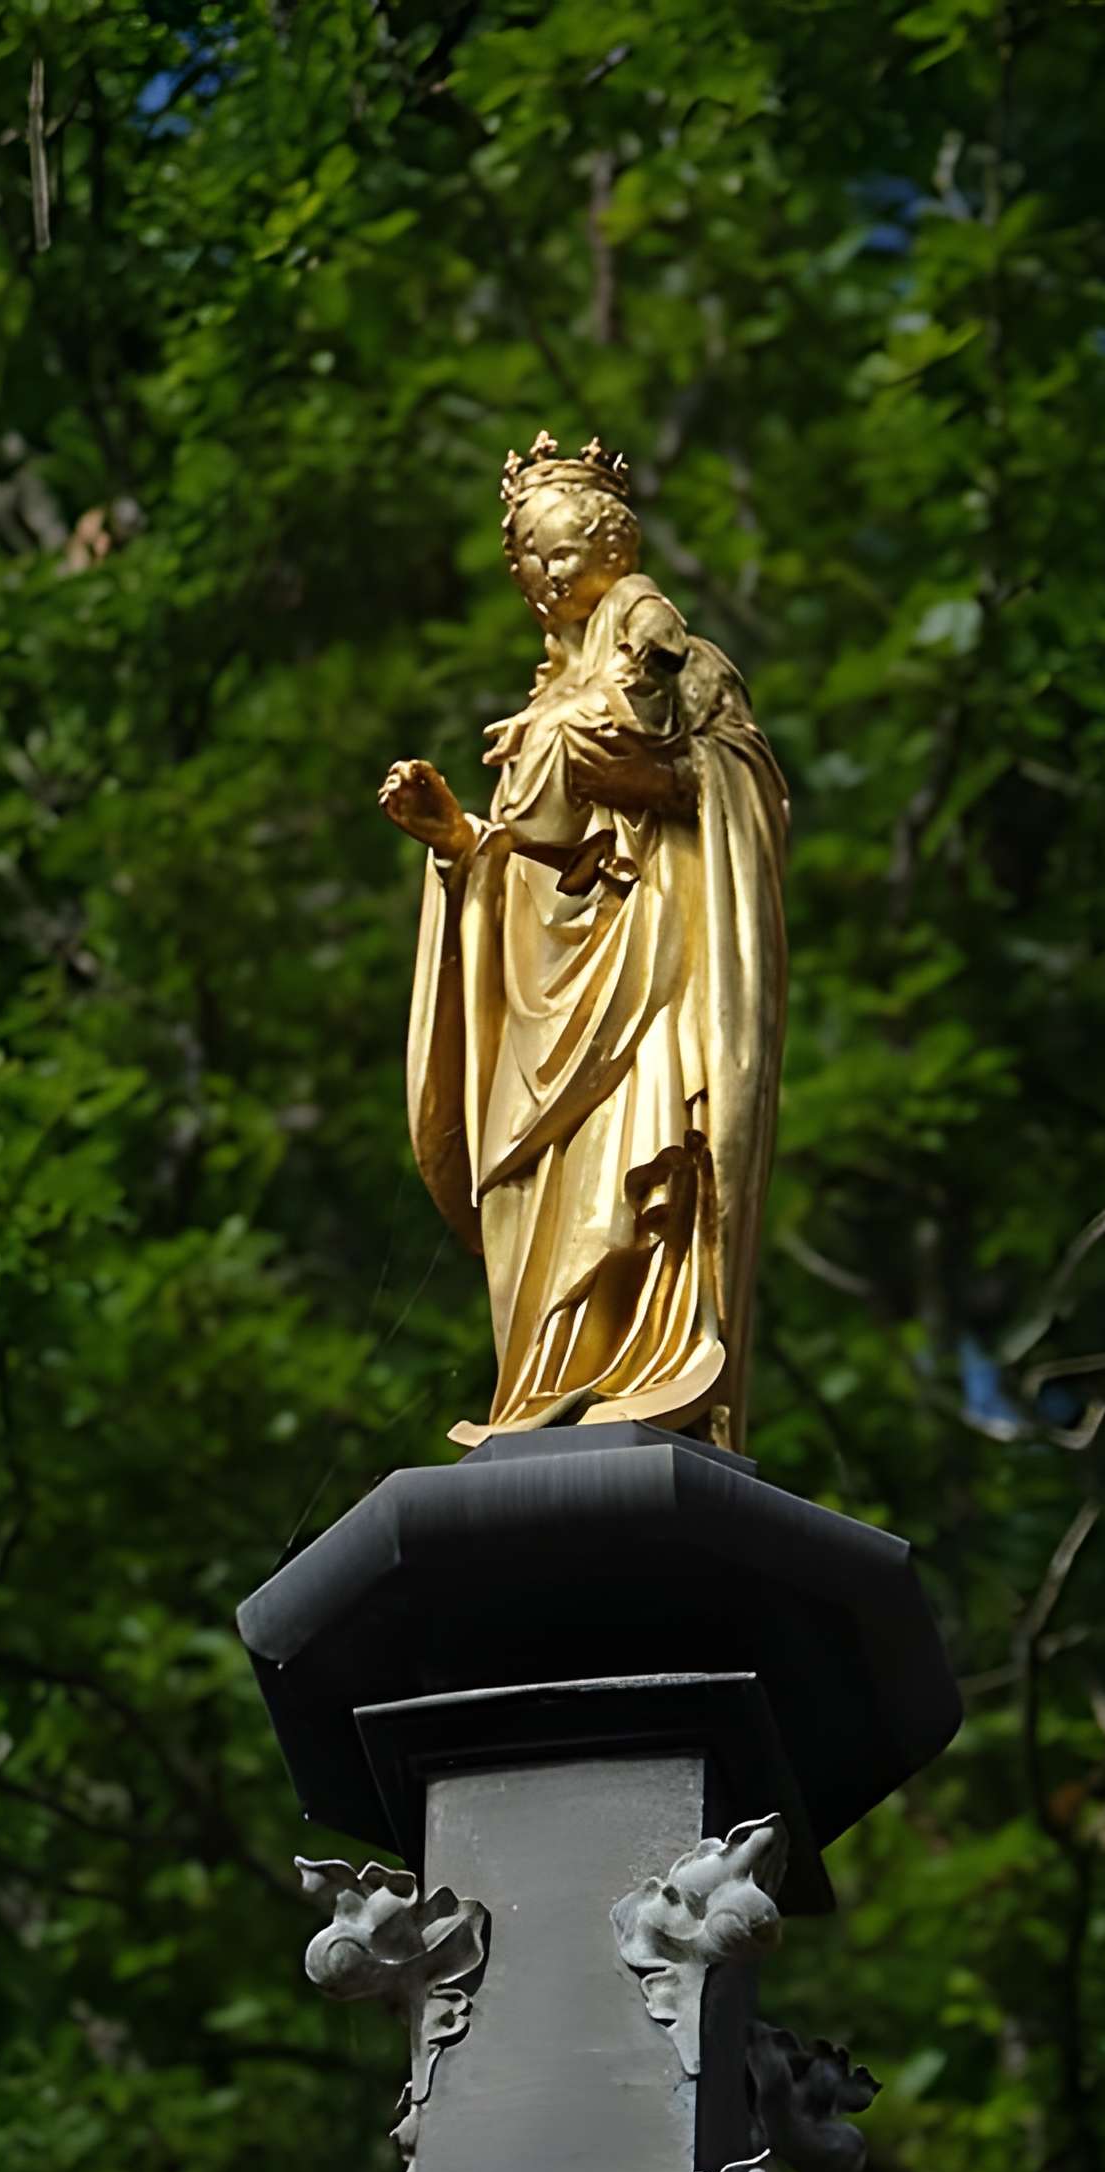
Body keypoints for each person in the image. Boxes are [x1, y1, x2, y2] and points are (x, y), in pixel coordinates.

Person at [379, 432, 789, 1450]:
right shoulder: (541, 702)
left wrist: (656, 782)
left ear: (613, 541)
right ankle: (541, 1386)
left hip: (650, 984)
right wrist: (459, 846)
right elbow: (531, 861)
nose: (546, 573)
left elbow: (749, 803)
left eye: (565, 550)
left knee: (645, 1169)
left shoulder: (679, 663)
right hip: (543, 1002)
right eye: (530, 557)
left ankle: (653, 1367)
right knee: (537, 1186)